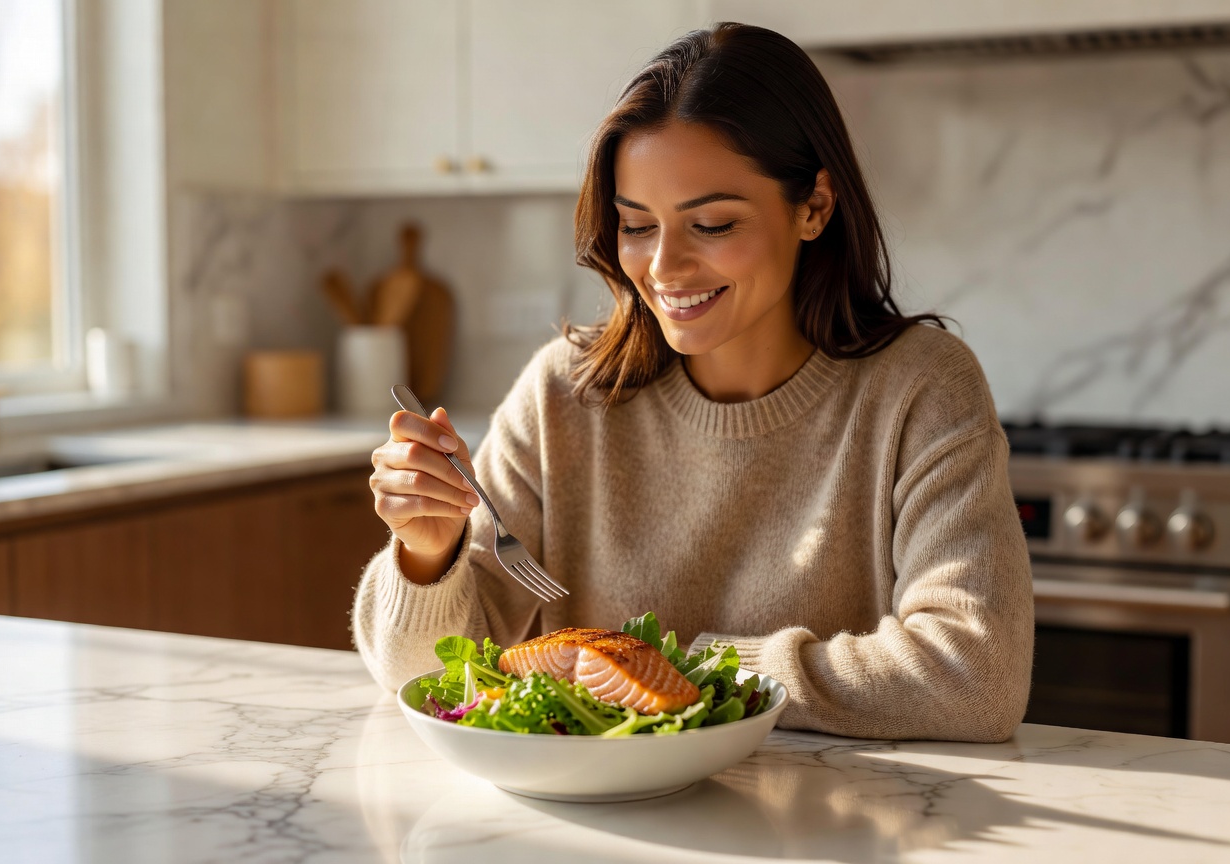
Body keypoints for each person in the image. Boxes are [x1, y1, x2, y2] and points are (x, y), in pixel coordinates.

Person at [353, 22, 1034, 742]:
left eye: (710, 224)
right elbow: (420, 673)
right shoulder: (565, 394)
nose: (664, 268)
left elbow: (975, 678)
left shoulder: (920, 388)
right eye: (637, 226)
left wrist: (678, 674)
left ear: (815, 208)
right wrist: (428, 556)